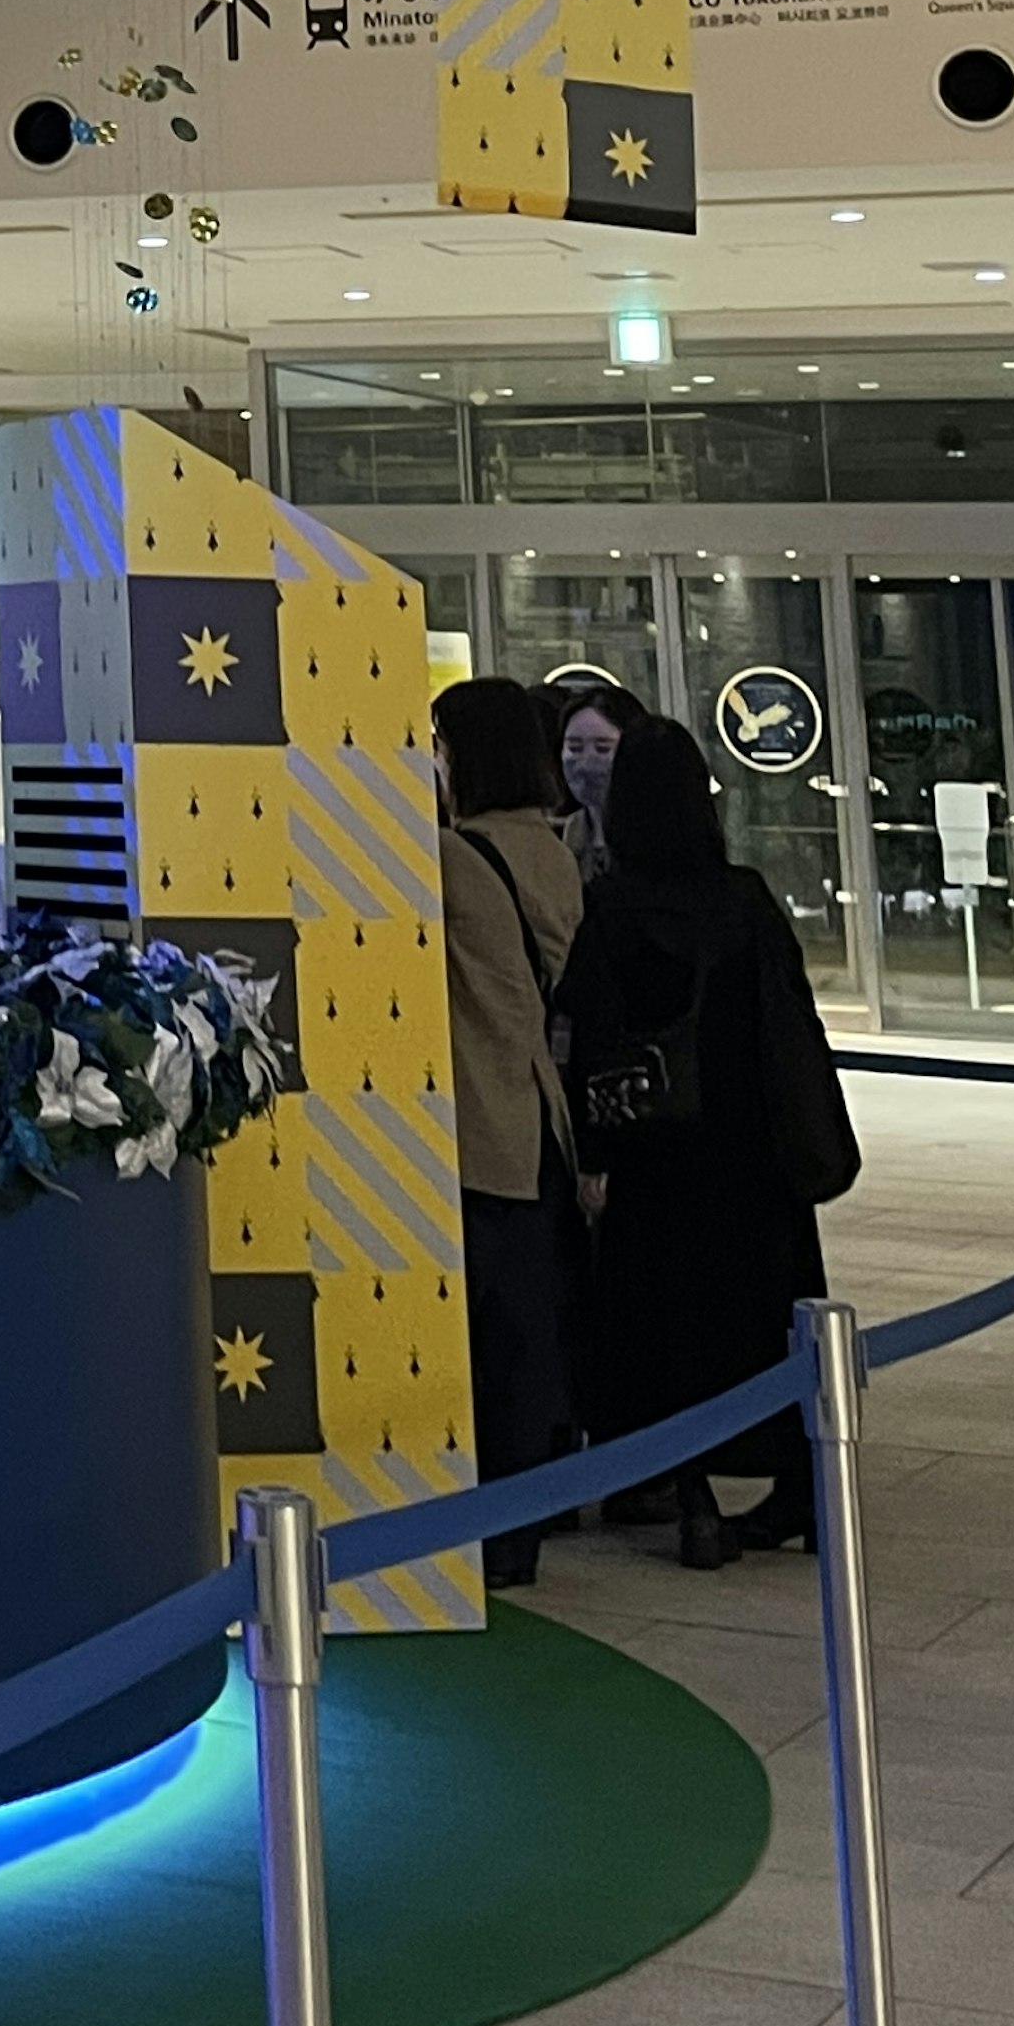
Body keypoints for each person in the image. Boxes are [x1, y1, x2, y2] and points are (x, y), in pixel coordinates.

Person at [558, 718, 862, 1569]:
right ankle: (797, 1486)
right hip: (755, 1156)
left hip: (660, 1159)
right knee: (768, 1320)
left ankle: (690, 1497)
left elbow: (589, 1037)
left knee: (667, 1330)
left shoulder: (612, 908)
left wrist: (594, 1156)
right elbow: (791, 1023)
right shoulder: (746, 901)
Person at [435, 674, 585, 1583]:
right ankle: (528, 1518)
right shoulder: (552, 850)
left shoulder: (456, 860)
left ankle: (493, 1533)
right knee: (531, 1328)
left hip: (481, 1120)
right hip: (543, 1117)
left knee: (491, 1337)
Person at [550, 678, 645, 889]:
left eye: (602, 749)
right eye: (574, 748)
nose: (584, 764)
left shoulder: (657, 834)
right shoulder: (568, 832)